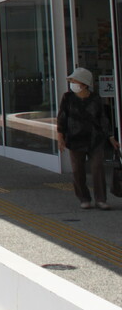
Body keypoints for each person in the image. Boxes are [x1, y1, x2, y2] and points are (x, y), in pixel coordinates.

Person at [56, 67, 120, 209]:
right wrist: (60, 137)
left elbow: (103, 119)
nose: (72, 83)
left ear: (84, 84)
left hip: (95, 139)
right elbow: (62, 118)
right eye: (71, 80)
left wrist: (110, 137)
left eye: (74, 80)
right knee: (77, 170)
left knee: (98, 168)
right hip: (75, 139)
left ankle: (101, 199)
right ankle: (84, 198)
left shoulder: (95, 98)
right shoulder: (67, 98)